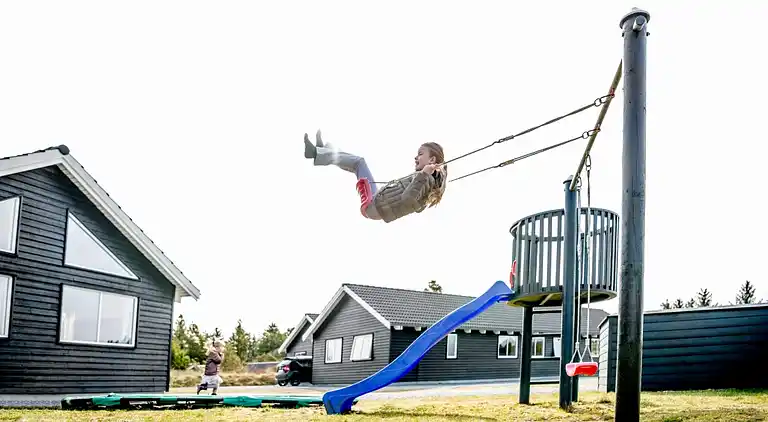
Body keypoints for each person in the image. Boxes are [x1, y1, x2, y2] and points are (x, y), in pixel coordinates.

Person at [303, 130, 448, 223]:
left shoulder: (426, 179)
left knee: (359, 163)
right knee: (357, 164)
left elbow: (408, 199)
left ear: (432, 160)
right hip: (378, 200)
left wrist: (424, 174)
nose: (416, 157)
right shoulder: (427, 180)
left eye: (420, 154)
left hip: (374, 205)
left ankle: (318, 153)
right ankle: (323, 150)